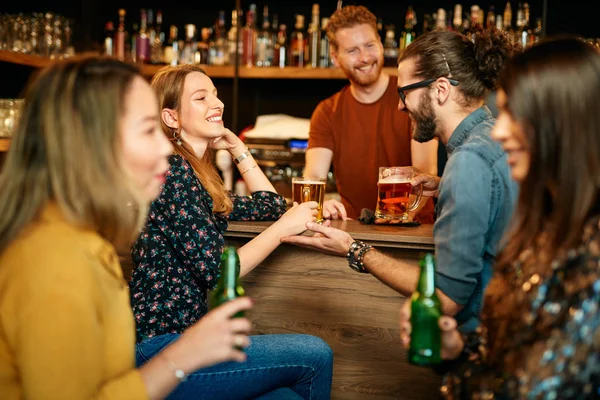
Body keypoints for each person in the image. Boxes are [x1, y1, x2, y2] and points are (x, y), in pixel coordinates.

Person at [0, 55, 255, 399]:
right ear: (93, 145)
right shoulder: (54, 263)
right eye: (148, 130)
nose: (166, 146)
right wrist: (184, 354)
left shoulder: (82, 239)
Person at [400, 36, 600, 399]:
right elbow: (514, 367)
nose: (501, 130)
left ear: (565, 125)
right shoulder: (553, 230)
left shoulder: (588, 255)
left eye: (516, 116)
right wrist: (455, 353)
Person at [283, 29, 520, 333]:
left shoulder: (468, 161)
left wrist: (354, 249)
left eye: (404, 92)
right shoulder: (494, 138)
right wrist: (444, 181)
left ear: (440, 90)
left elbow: (446, 298)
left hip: (485, 342)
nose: (399, 106)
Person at [130, 64, 333, 399]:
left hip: (189, 343)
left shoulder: (199, 178)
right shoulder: (171, 170)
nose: (218, 102)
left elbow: (269, 204)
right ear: (171, 117)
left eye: (216, 94)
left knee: (287, 398)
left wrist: (238, 148)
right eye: (201, 96)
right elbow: (218, 271)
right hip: (161, 351)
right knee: (316, 353)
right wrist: (285, 228)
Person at [305, 5, 438, 223]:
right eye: (352, 51)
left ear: (380, 44)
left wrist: (402, 216)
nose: (365, 57)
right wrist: (319, 203)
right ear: (336, 58)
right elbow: (313, 177)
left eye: (369, 45)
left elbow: (425, 173)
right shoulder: (327, 111)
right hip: (354, 231)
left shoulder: (414, 98)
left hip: (412, 230)